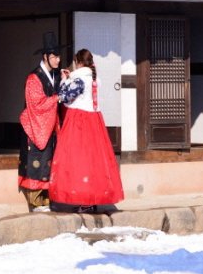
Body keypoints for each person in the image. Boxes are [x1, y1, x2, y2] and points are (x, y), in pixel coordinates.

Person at [49, 48, 125, 213]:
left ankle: (84, 199)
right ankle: (92, 198)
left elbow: (65, 97)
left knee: (78, 160)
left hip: (79, 121)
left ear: (78, 62)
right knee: (94, 161)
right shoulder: (93, 78)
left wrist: (64, 81)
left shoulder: (80, 79)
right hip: (94, 121)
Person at [18, 31, 65, 212]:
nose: (58, 60)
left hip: (49, 125)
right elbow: (36, 103)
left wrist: (64, 81)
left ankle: (46, 200)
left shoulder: (56, 75)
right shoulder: (34, 78)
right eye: (54, 57)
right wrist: (56, 98)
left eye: (58, 56)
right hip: (35, 124)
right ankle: (36, 201)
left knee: (48, 161)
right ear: (45, 57)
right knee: (36, 161)